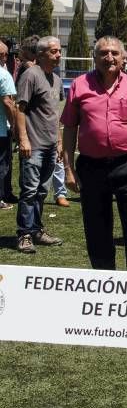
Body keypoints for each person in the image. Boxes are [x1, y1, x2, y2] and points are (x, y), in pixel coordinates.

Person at [61, 36, 127, 271]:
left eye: (114, 53)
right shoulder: (79, 85)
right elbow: (70, 128)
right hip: (91, 167)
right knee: (96, 227)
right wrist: (68, 169)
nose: (108, 57)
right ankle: (104, 280)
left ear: (123, 58)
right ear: (94, 57)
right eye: (103, 53)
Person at [15, 36, 64, 253]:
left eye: (59, 51)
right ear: (41, 53)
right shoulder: (30, 75)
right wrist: (23, 139)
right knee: (29, 191)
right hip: (33, 145)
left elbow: (55, 114)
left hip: (50, 145)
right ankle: (24, 234)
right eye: (54, 51)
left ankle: (36, 229)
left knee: (42, 191)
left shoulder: (57, 79)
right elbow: (19, 109)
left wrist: (59, 141)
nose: (59, 55)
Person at [0, 40, 16, 209]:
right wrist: (14, 125)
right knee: (2, 164)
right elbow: (8, 102)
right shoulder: (4, 75)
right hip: (1, 129)